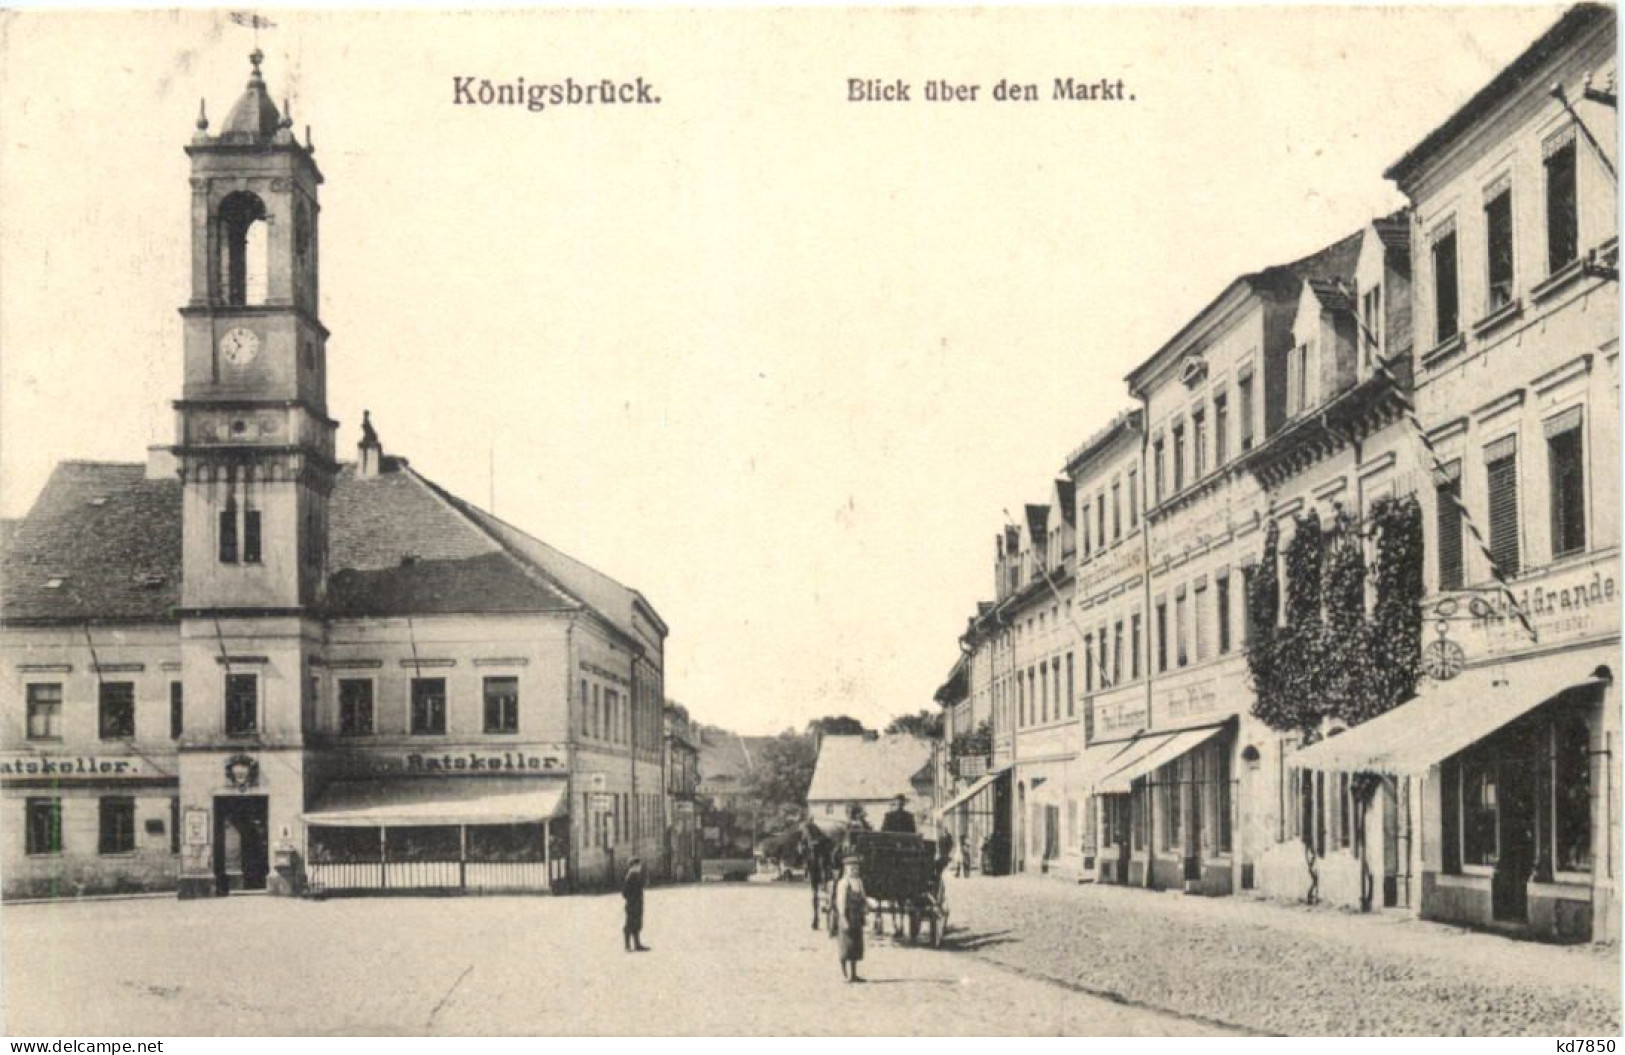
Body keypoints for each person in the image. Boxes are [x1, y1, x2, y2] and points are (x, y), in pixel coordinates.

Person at [833, 854, 868, 982]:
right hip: (847, 916)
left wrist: (865, 907)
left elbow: (863, 897)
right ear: (846, 870)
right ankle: (845, 974)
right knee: (846, 946)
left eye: (856, 868)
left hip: (857, 917)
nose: (855, 871)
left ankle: (854, 974)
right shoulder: (843, 883)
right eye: (852, 869)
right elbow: (840, 902)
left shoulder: (859, 882)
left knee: (856, 946)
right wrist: (843, 917)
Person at [800, 817, 831, 930]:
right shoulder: (811, 834)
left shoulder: (813, 834)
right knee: (816, 893)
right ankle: (817, 918)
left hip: (817, 865)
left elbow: (803, 849)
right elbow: (803, 849)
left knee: (816, 893)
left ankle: (817, 918)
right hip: (816, 865)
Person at [622, 857, 648, 952]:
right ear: (633, 866)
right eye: (638, 865)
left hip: (637, 904)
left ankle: (637, 944)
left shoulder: (636, 876)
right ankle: (628, 946)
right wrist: (632, 899)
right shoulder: (629, 877)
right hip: (632, 905)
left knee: (637, 924)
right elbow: (624, 893)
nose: (640, 867)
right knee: (629, 924)